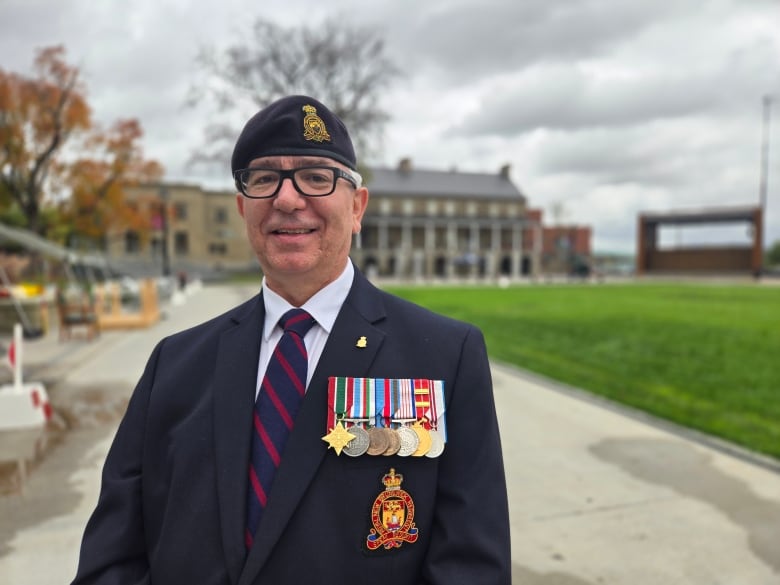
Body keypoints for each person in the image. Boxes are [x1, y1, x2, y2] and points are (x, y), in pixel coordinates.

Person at [71, 95, 511, 585]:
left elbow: (472, 567)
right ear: (243, 208)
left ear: (357, 206)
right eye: (264, 179)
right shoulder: (174, 364)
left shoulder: (445, 357)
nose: (286, 198)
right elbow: (113, 558)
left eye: (316, 177)